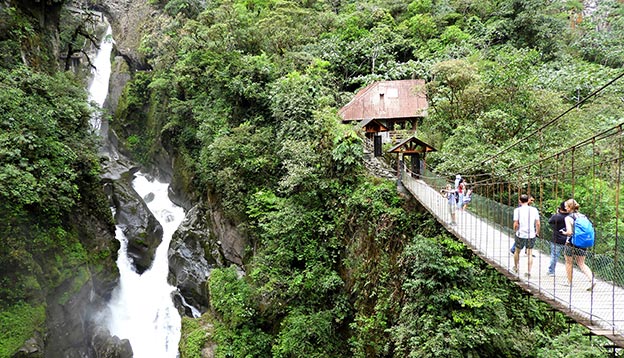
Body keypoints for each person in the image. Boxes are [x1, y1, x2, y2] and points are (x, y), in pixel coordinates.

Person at [560, 199, 594, 291]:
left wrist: (564, 232)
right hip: (583, 242)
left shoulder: (568, 217)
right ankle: (592, 279)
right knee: (581, 263)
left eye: (566, 206)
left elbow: (570, 232)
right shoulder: (583, 216)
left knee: (568, 262)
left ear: (570, 207)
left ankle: (569, 282)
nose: (565, 207)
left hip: (571, 243)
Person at [512, 194, 540, 277]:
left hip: (520, 234)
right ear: (528, 201)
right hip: (531, 234)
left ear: (520, 201)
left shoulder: (517, 210)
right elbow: (538, 223)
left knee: (517, 251)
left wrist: (515, 231)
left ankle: (516, 267)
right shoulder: (534, 210)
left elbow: (516, 223)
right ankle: (529, 272)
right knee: (530, 253)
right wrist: (537, 232)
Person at [547, 201, 569, 276]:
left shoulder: (557, 216)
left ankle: (551, 271)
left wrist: (557, 213)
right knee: (569, 258)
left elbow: (550, 221)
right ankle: (569, 275)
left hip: (557, 239)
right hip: (568, 240)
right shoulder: (571, 216)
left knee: (554, 255)